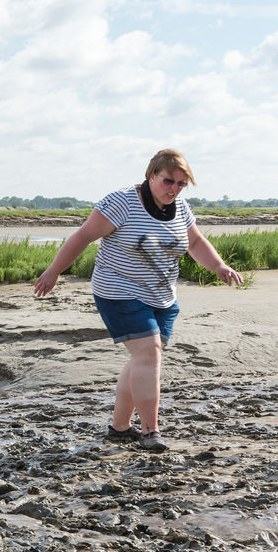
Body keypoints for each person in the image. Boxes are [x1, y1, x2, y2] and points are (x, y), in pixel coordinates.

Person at [33, 149, 242, 452]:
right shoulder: (121, 202)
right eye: (169, 181)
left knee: (144, 358)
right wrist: (53, 271)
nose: (174, 189)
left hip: (162, 296)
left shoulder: (180, 207)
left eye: (182, 184)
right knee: (149, 351)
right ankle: (151, 431)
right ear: (151, 175)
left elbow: (195, 241)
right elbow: (82, 237)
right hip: (118, 292)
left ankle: (119, 428)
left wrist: (219, 266)